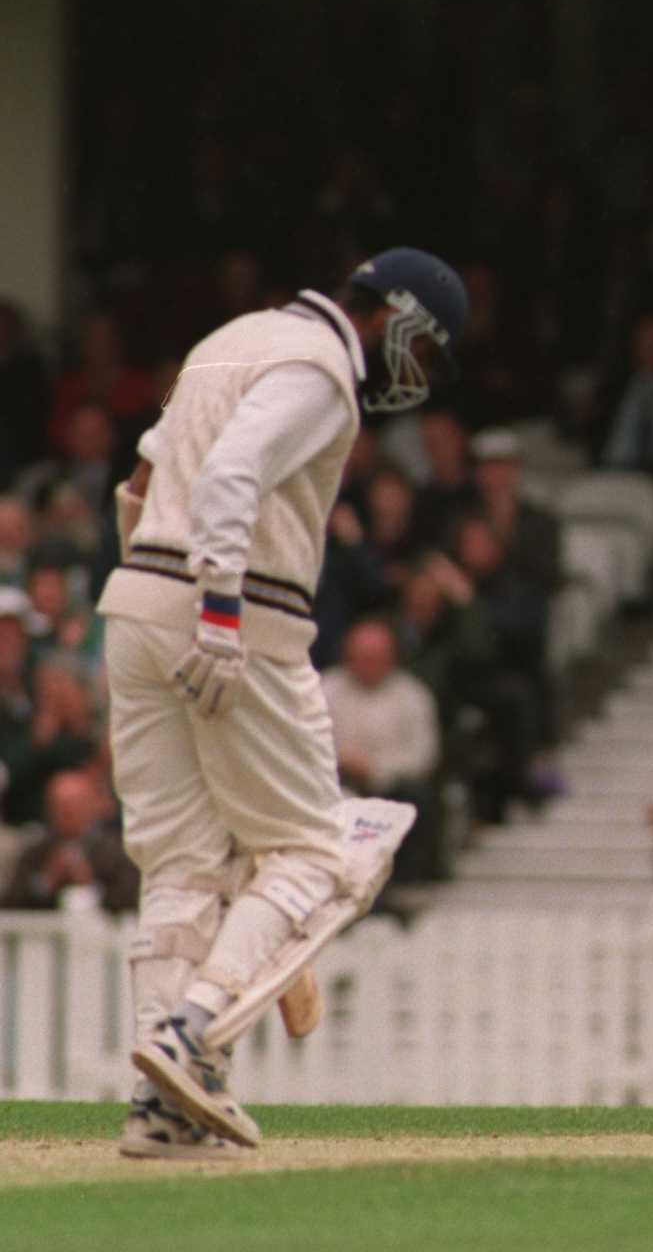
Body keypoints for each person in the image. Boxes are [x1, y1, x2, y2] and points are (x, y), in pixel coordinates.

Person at [94, 247, 466, 1159]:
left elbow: (139, 485)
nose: (417, 370)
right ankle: (194, 1029)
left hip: (136, 603)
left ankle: (162, 1107)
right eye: (425, 346)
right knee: (318, 853)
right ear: (397, 316)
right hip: (237, 616)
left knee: (180, 863)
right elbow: (230, 476)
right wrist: (217, 616)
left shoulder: (231, 339)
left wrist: (156, 599)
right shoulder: (322, 366)